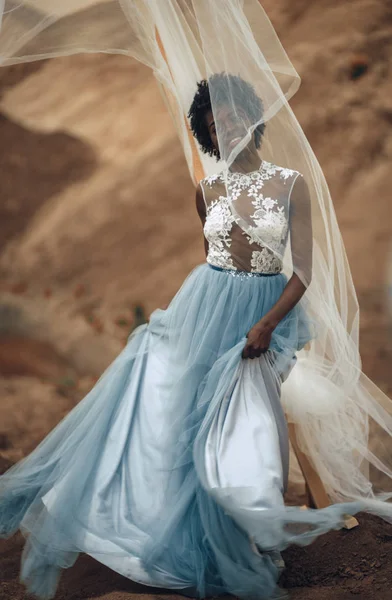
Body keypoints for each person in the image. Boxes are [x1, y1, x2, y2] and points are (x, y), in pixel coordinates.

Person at [1, 3, 392, 600]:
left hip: (262, 315)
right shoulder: (206, 189)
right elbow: (211, 256)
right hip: (200, 306)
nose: (224, 129)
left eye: (233, 118)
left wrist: (266, 325)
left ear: (251, 120)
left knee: (249, 432)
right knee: (169, 418)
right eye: (212, 123)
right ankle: (166, 533)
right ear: (206, 132)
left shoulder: (290, 185)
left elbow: (306, 271)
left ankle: (250, 537)